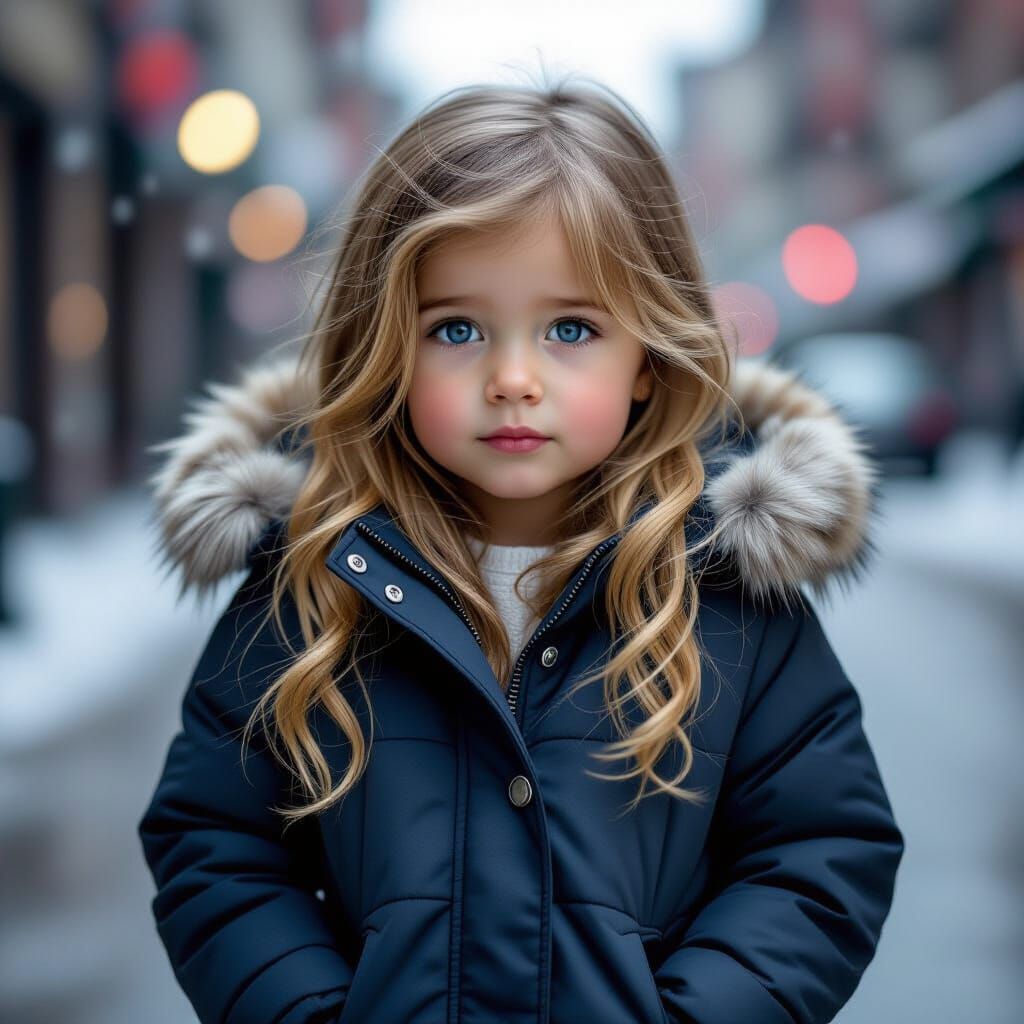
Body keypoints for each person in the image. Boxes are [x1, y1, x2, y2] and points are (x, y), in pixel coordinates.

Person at [138, 77, 904, 1024]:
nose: (511, 379)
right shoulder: (310, 582)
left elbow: (820, 855)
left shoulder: (726, 595)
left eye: (571, 329)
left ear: (647, 359)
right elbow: (215, 846)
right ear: (387, 348)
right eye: (456, 329)